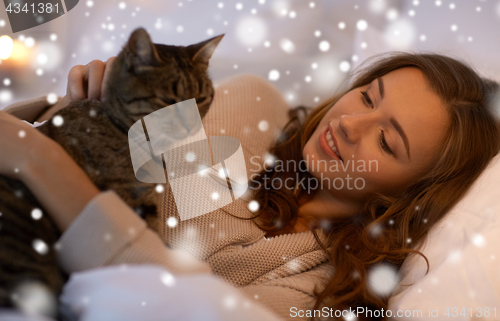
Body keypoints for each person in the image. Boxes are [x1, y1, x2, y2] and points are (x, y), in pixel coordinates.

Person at [1, 52, 499, 320]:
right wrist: (81, 111)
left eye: (387, 142)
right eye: (368, 96)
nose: (351, 124)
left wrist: (43, 163)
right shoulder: (253, 108)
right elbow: (123, 158)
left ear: (412, 195)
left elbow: (173, 305)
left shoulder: (334, 296)